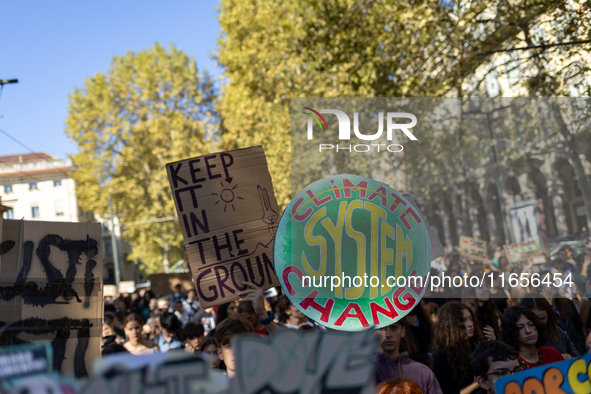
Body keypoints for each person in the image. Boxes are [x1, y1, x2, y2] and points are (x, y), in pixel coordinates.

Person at [374, 320, 443, 394]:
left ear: (403, 331)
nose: (388, 334)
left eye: (394, 327)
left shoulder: (423, 372)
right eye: (380, 328)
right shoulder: (365, 374)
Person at [431, 302, 484, 394]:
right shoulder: (442, 355)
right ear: (451, 325)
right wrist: (476, 384)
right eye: (463, 320)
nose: (470, 324)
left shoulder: (475, 346)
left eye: (471, 319)